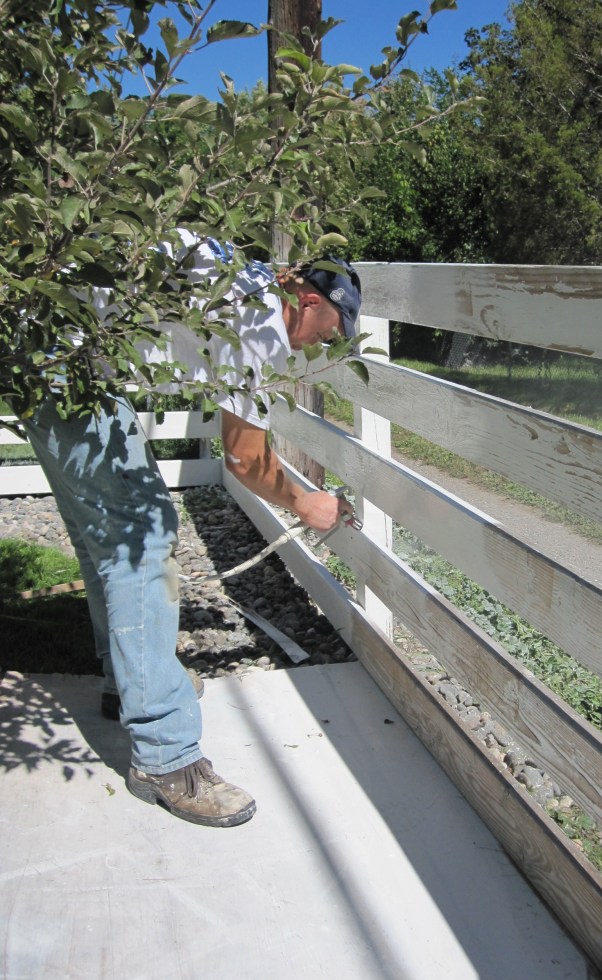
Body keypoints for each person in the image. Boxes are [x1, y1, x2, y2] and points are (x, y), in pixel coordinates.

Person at [21, 237, 362, 829]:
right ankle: (166, 756)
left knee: (111, 538)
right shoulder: (259, 322)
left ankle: (126, 682)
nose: (320, 345)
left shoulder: (243, 279)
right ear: (308, 300)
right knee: (144, 539)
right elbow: (245, 460)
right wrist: (307, 502)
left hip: (50, 355)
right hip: (65, 370)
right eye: (328, 331)